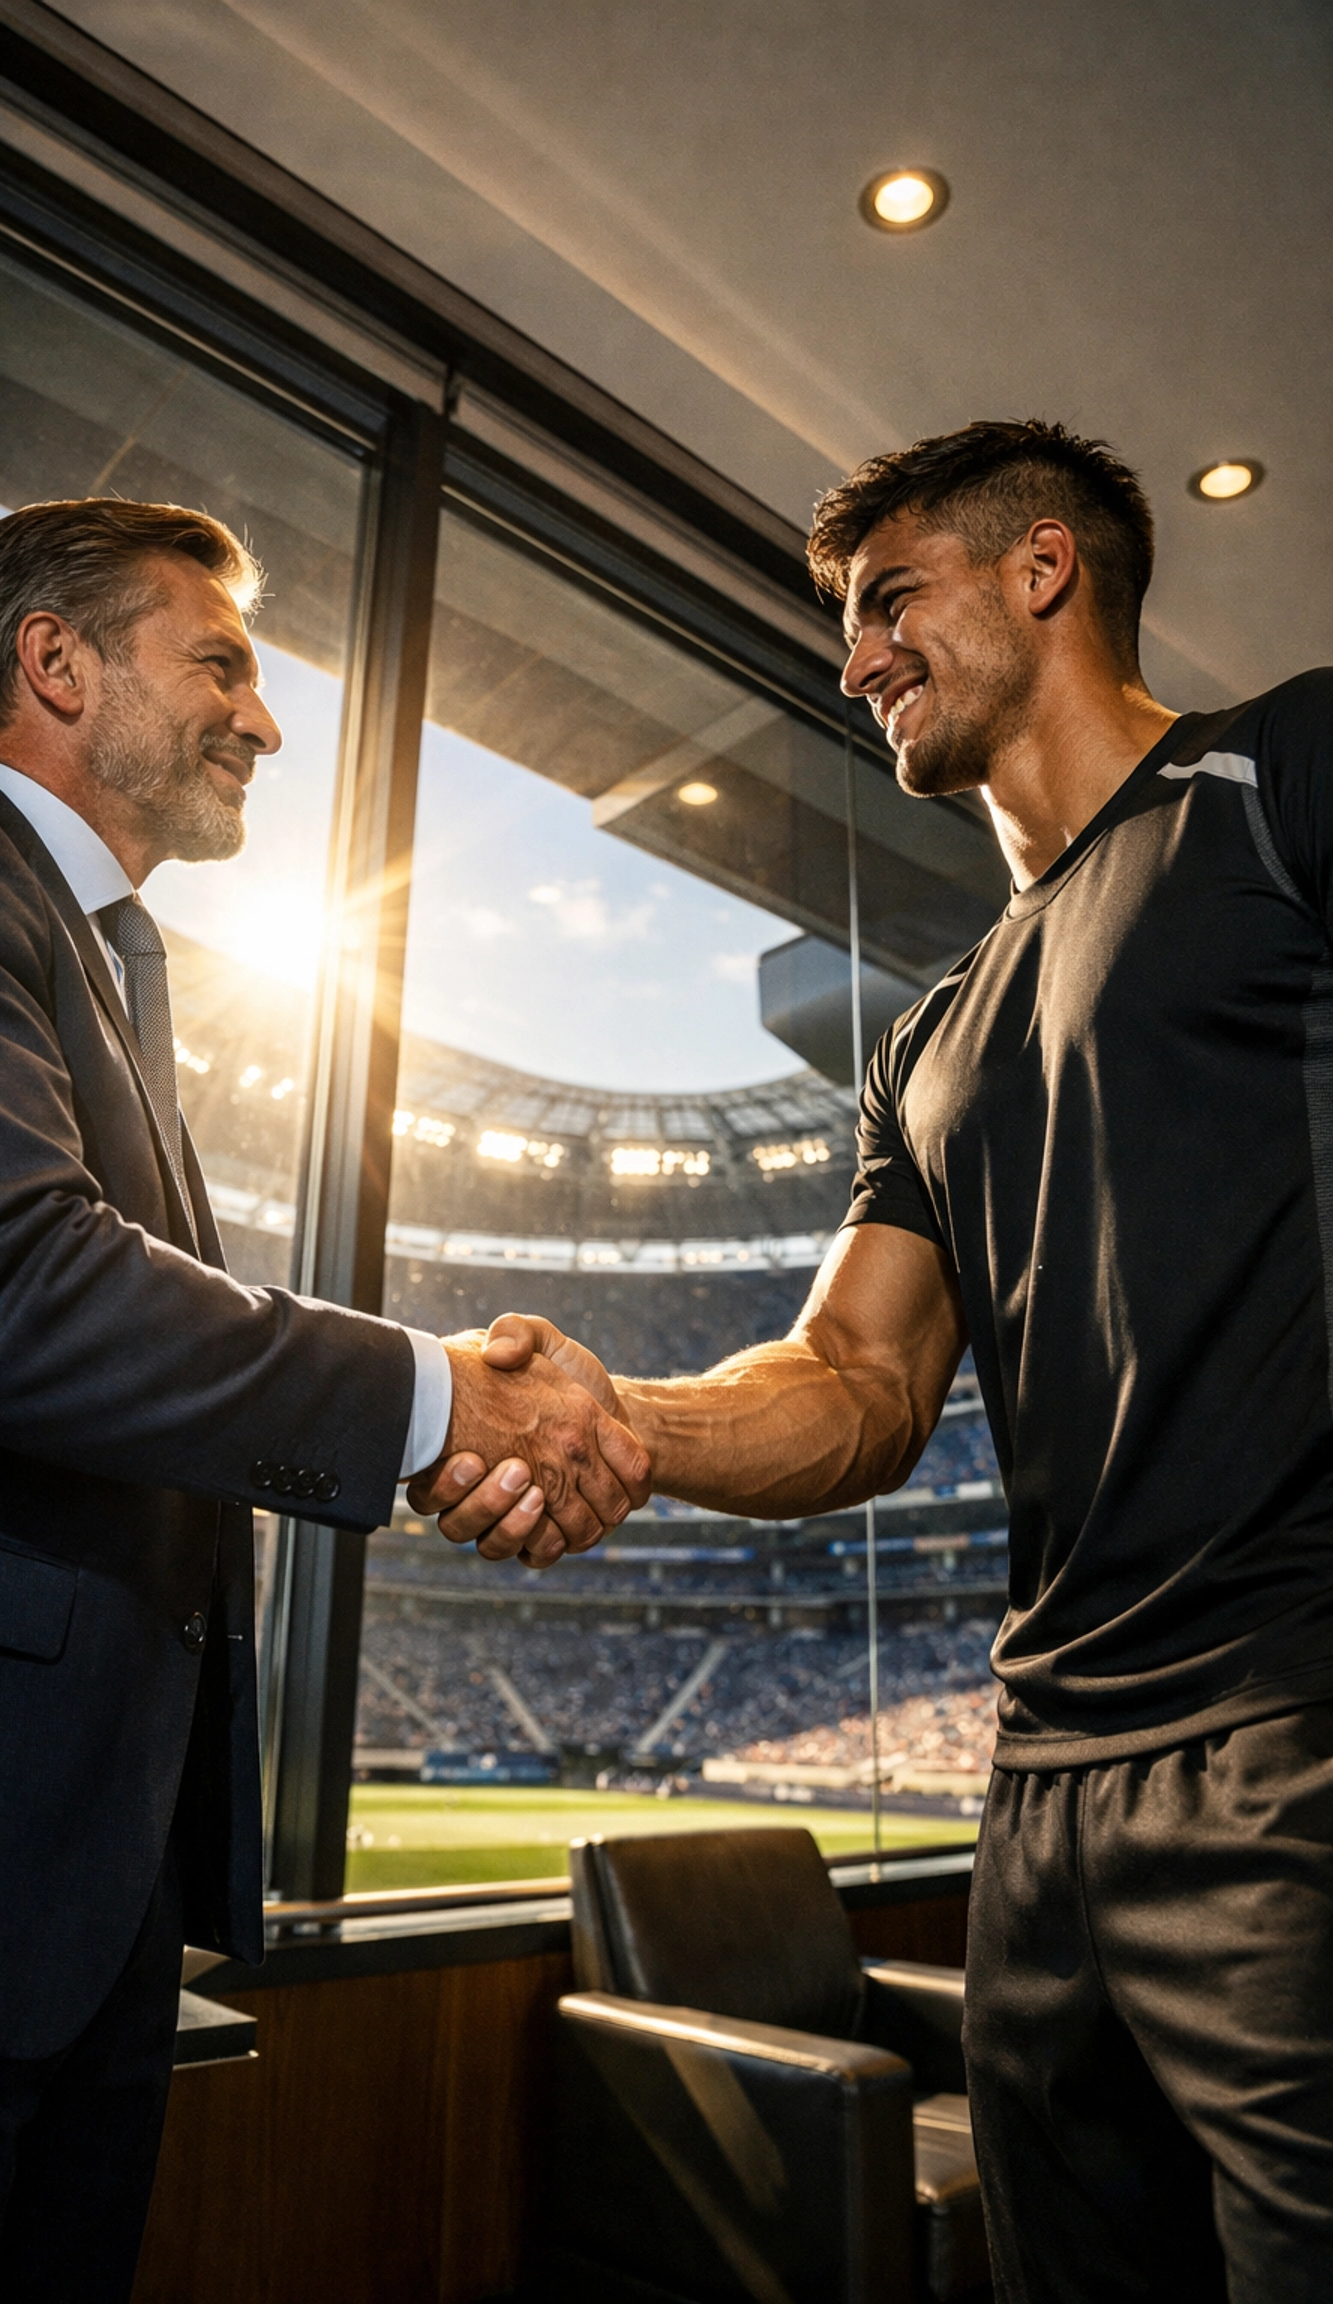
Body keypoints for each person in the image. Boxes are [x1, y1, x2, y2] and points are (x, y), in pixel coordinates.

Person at [423, 418, 1333, 2301]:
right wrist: (623, 1418)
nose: (857, 660)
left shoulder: (1283, 778)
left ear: (1044, 572)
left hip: (1294, 1733)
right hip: (1052, 1801)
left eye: (890, 600)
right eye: (851, 624)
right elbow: (854, 1383)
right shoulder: (925, 1039)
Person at [0, 495, 648, 2302]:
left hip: (67, 1936)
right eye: (221, 663)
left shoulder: (110, 973)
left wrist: (444, 1419)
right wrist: (439, 1404)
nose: (263, 722)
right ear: (55, 662)